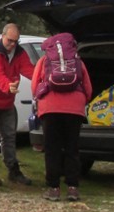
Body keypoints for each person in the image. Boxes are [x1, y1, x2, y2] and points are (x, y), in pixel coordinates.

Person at [32, 33, 93, 202]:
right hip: (74, 108)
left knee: (52, 149)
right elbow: (87, 86)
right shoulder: (78, 61)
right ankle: (73, 188)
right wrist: (82, 101)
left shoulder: (44, 61)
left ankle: (53, 188)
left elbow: (35, 83)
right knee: (72, 148)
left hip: (50, 108)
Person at [0, 23, 36, 186]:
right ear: (2, 36)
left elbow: (29, 70)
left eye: (15, 41)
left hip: (7, 101)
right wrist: (7, 86)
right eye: (10, 40)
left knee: (9, 136)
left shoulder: (19, 53)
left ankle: (13, 170)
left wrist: (42, 80)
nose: (12, 44)